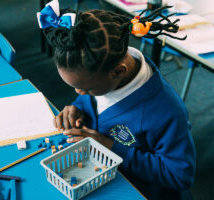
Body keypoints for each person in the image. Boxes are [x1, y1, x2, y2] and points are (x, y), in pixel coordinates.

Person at [37, 1, 196, 199]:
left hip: (135, 190)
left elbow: (180, 176)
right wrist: (77, 108)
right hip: (95, 172)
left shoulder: (167, 112)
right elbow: (91, 100)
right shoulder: (99, 72)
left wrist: (113, 148)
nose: (80, 92)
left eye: (87, 89)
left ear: (118, 72)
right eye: (75, 88)